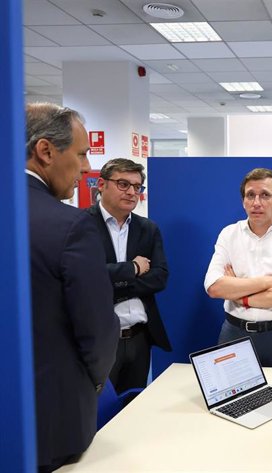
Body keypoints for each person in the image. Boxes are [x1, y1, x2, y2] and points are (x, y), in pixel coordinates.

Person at [25, 103, 119, 472]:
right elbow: (96, 329)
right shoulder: (71, 227)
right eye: (81, 154)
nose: (86, 167)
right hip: (52, 419)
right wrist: (96, 382)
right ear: (46, 151)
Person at [204, 168, 272, 367]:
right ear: (243, 201)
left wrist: (238, 293)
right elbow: (214, 287)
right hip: (234, 333)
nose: (256, 203)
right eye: (250, 195)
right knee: (232, 396)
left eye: (265, 195)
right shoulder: (229, 234)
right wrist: (269, 281)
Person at [86, 158, 172, 394]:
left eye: (137, 187)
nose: (132, 192)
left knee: (133, 407)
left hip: (139, 337)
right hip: (100, 340)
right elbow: (87, 278)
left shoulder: (148, 229)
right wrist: (132, 269)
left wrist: (114, 284)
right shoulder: (81, 225)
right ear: (101, 184)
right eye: (123, 184)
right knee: (97, 412)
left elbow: (160, 277)